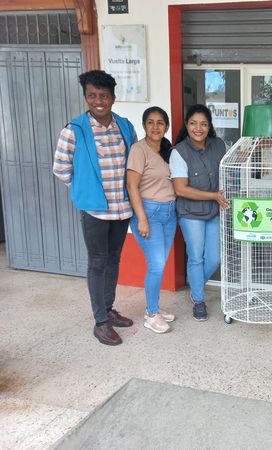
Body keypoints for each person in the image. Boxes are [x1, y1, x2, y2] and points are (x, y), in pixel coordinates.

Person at [53, 70, 136, 346]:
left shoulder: (125, 126)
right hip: (95, 211)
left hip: (121, 208)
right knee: (98, 262)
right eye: (92, 95)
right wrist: (83, 190)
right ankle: (100, 322)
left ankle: (109, 309)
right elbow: (61, 169)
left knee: (114, 260)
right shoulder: (74, 130)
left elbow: (133, 164)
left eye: (104, 96)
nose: (98, 101)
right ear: (86, 97)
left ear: (113, 98)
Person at [169, 104, 229, 321]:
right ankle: (199, 300)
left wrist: (257, 148)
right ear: (187, 125)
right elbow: (180, 189)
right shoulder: (179, 152)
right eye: (193, 123)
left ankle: (195, 287)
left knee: (213, 259)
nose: (198, 128)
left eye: (203, 124)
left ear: (209, 126)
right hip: (190, 213)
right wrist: (213, 195)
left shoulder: (219, 145)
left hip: (213, 212)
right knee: (196, 256)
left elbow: (233, 164)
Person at [126, 107, 176, 334]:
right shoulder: (139, 150)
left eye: (160, 122)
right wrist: (142, 219)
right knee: (156, 265)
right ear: (144, 125)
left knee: (160, 263)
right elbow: (131, 185)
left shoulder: (167, 149)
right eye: (150, 122)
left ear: (166, 126)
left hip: (169, 213)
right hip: (149, 212)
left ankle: (153, 306)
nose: (155, 127)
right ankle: (151, 314)